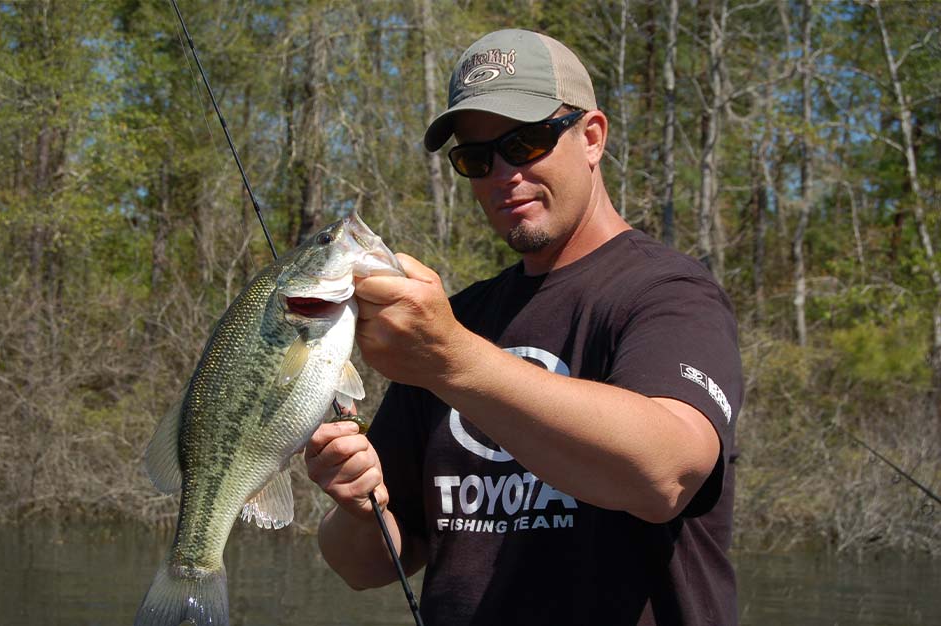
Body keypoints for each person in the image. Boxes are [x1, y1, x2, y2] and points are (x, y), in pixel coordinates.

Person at [305, 28, 742, 626]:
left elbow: (664, 473)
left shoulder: (667, 293)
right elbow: (364, 567)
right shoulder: (456, 320)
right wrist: (360, 509)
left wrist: (454, 361)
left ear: (591, 138)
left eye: (528, 142)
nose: (503, 174)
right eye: (476, 158)